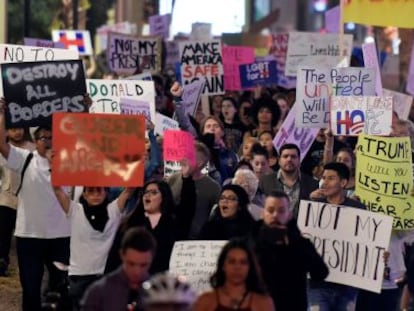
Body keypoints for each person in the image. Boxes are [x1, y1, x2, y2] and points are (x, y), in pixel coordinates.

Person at [0, 100, 71, 310]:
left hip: (60, 236)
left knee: (61, 287)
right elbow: (1, 144)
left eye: (52, 138)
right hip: (29, 237)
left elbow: (85, 137)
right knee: (30, 288)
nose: (48, 142)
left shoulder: (70, 161)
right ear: (36, 140)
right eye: (43, 138)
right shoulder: (24, 158)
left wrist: (84, 109)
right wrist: (3, 114)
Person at [106, 160, 196, 274]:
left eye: (154, 192)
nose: (147, 195)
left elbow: (188, 207)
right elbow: (114, 257)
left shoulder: (174, 222)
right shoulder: (130, 223)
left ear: (164, 197)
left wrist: (187, 177)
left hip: (162, 283)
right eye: (145, 192)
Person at [53, 185, 134, 310]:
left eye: (99, 190)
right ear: (84, 194)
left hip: (105, 276)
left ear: (105, 193)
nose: (95, 194)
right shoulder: (75, 210)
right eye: (91, 191)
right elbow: (57, 190)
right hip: (80, 276)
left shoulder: (113, 210)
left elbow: (129, 190)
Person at [253, 190, 329, 311]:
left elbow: (320, 273)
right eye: (271, 210)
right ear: (263, 213)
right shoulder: (250, 242)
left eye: (281, 211)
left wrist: (298, 246)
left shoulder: (300, 243)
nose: (275, 215)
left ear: (289, 215)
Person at [308, 162, 365, 311]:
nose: (325, 182)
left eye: (331, 178)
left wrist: (378, 255)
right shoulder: (313, 207)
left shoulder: (359, 209)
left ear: (343, 182)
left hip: (348, 286)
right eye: (324, 177)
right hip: (317, 285)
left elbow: (366, 244)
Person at [81, 227, 157, 311]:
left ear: (152, 259)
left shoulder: (161, 296)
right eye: (131, 264)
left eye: (143, 265)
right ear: (121, 255)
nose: (137, 272)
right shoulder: (98, 292)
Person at [192, 238, 275, 311]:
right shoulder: (206, 301)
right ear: (223, 266)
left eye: (243, 262)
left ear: (250, 267)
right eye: (232, 262)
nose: (237, 267)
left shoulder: (263, 303)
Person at [168, 142, 220, 239]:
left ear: (199, 163)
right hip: (172, 235)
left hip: (196, 240)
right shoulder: (172, 179)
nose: (183, 158)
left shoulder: (213, 187)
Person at [0, 127, 34, 276]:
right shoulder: (3, 149)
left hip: (29, 201)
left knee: (27, 237)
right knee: (3, 233)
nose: (17, 132)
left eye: (19, 129)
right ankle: (2, 261)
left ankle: (28, 266)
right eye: (13, 130)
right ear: (6, 132)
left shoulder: (33, 148)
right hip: (6, 198)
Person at [259, 143, 318, 217]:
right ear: (279, 160)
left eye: (293, 157)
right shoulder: (265, 181)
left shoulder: (313, 184)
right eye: (285, 156)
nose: (289, 159)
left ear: (299, 160)